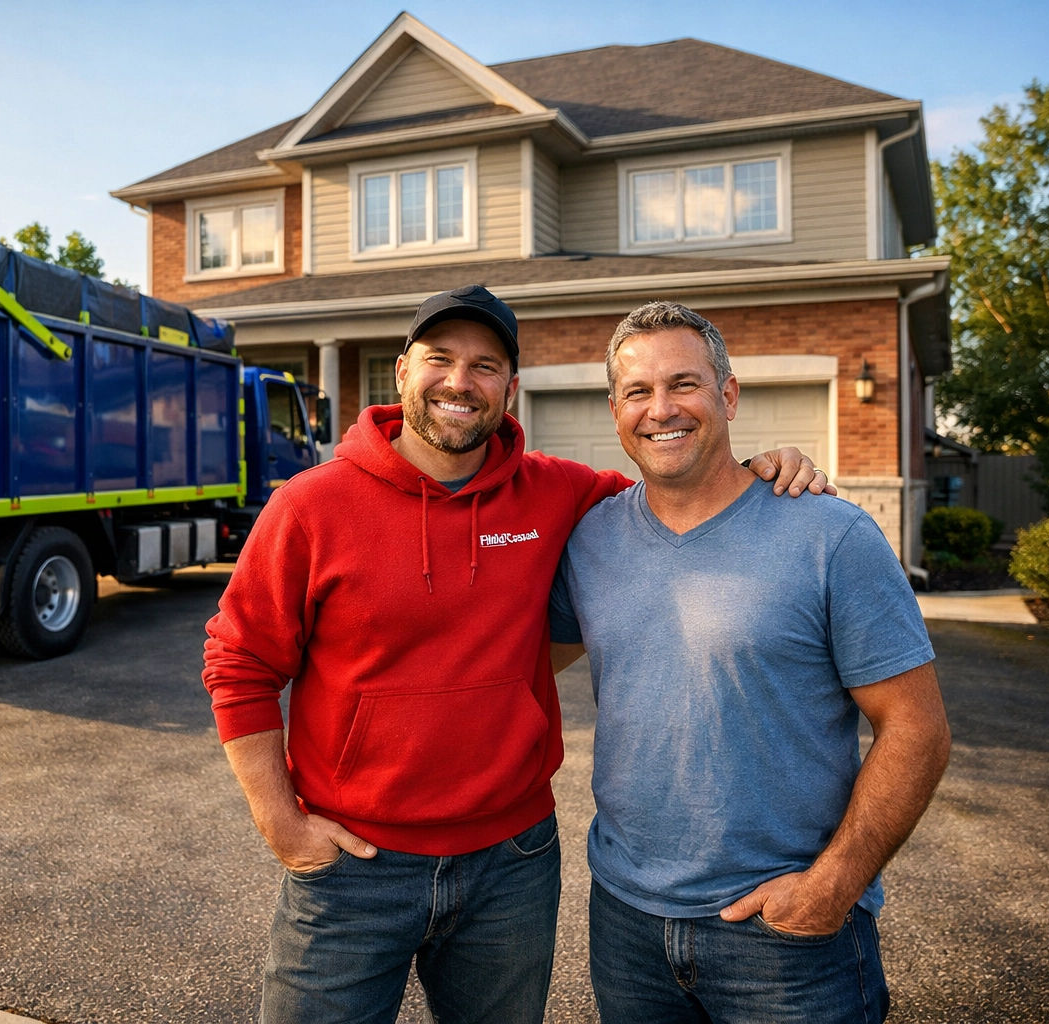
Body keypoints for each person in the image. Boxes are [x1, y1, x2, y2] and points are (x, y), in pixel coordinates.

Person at [203, 285, 830, 1024]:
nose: (460, 383)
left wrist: (762, 467)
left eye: (485, 365)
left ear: (510, 387)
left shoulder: (559, 493)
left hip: (512, 866)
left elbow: (679, 485)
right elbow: (240, 663)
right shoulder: (309, 506)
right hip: (352, 869)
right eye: (440, 360)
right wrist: (282, 824)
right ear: (402, 371)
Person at [549, 301, 951, 1024]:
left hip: (786, 939)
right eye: (638, 392)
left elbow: (916, 729)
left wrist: (833, 887)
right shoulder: (591, 542)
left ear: (728, 394)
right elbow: (501, 659)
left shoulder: (829, 534)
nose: (660, 409)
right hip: (627, 925)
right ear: (615, 410)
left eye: (685, 384)